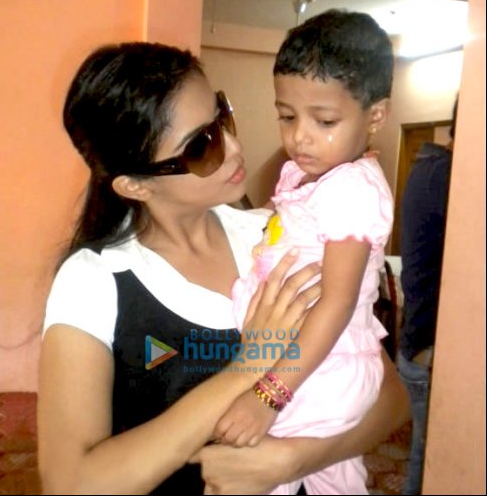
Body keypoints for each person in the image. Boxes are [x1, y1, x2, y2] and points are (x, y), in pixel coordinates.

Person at [37, 41, 409, 496]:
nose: (233, 147)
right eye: (201, 146)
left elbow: (392, 398)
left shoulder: (273, 235)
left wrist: (292, 461)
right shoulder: (95, 281)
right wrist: (246, 368)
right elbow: (71, 484)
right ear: (135, 185)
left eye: (222, 117)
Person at [213, 9, 395, 495]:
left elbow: (336, 304)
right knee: (326, 478)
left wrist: (268, 396)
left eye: (325, 120)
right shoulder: (311, 176)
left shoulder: (352, 191)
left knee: (252, 470)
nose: (300, 136)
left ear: (376, 116)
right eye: (287, 116)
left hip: (322, 368)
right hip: (304, 362)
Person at [397, 97, 457, 495]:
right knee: (430, 463)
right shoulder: (446, 176)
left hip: (416, 342)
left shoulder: (429, 168)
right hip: (426, 349)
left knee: (425, 457)